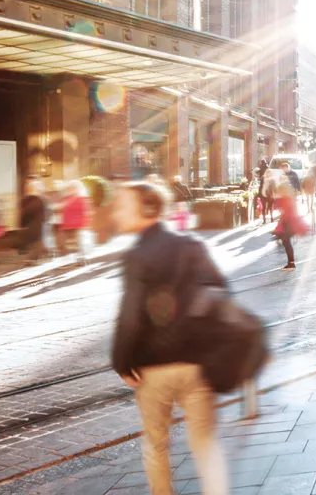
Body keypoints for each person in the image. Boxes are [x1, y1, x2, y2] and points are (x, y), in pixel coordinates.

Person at [110, 182, 228, 495]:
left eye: (123, 205)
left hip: (155, 368)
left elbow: (131, 314)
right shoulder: (191, 244)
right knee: (205, 443)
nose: (116, 212)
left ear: (146, 209)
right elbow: (219, 291)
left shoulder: (138, 254)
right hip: (197, 364)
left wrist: (121, 361)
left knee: (156, 444)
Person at [273, 182, 308, 270]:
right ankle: (291, 263)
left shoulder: (282, 199)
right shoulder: (291, 198)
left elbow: (280, 210)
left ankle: (291, 264)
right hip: (291, 222)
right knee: (286, 242)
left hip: (286, 223)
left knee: (286, 243)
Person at [57, 181, 92, 264]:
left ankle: (81, 259)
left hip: (78, 225)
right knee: (62, 243)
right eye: (70, 188)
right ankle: (66, 260)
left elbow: (86, 212)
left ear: (78, 189)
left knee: (78, 244)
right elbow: (60, 209)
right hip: (66, 225)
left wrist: (86, 224)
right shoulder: (65, 199)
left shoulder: (82, 199)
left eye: (74, 188)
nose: (71, 190)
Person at [18, 180, 48, 264]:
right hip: (32, 224)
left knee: (36, 242)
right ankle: (32, 258)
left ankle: (33, 258)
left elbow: (24, 212)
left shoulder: (37, 199)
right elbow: (23, 213)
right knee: (35, 241)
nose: (28, 189)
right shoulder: (32, 199)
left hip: (37, 224)